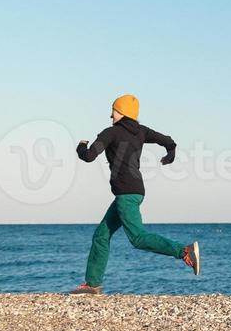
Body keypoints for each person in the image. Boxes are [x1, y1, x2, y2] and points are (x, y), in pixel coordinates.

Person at [68, 95, 201, 294]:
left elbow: (88, 156)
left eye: (113, 110)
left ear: (121, 112)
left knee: (137, 237)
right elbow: (168, 141)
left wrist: (80, 146)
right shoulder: (141, 131)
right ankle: (92, 284)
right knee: (101, 235)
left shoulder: (110, 132)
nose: (110, 114)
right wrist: (170, 153)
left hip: (125, 193)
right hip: (135, 191)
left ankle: (184, 251)